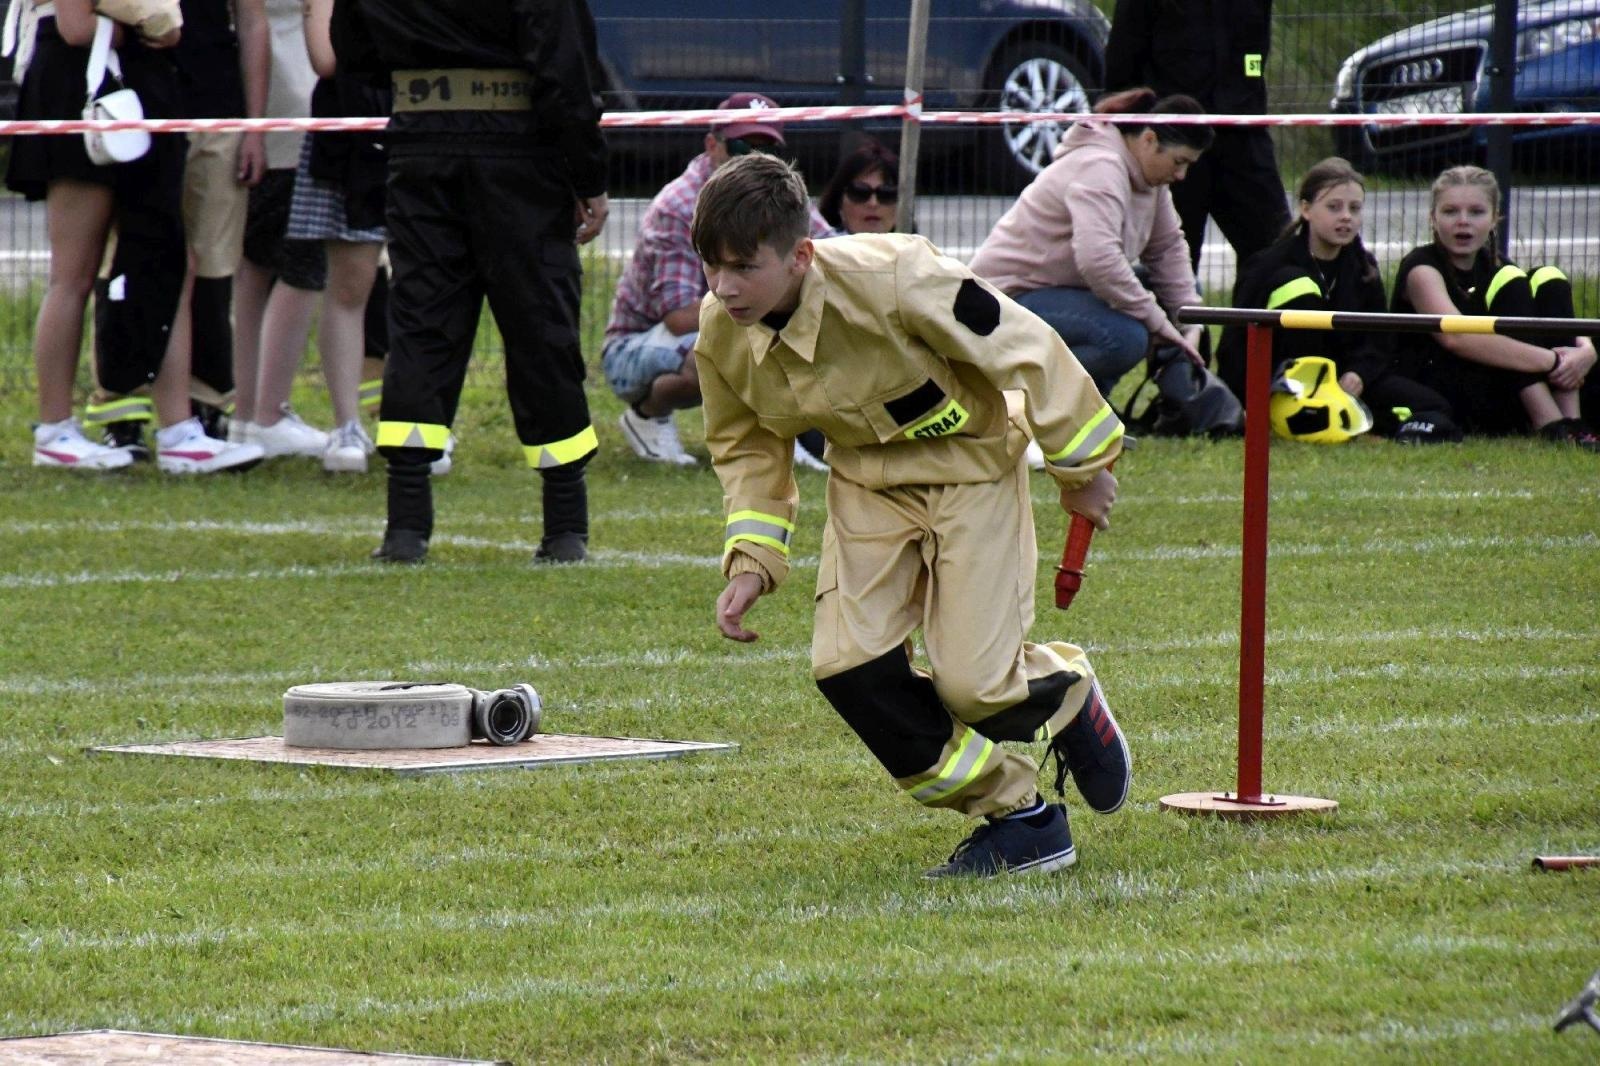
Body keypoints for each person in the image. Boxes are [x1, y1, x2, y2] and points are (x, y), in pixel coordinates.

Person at [694, 154, 1131, 878]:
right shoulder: (721, 330)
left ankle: (1067, 688)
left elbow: (1024, 344)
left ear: (800, 255)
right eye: (711, 265)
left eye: (743, 266)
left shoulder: (896, 276)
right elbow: (745, 446)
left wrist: (1080, 469)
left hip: (971, 477)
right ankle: (1019, 817)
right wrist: (751, 562)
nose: (723, 286)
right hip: (866, 487)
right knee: (848, 669)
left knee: (976, 688)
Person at [330, 0, 612, 564]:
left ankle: (406, 529)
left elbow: (352, 51)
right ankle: (565, 529)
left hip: (421, 150)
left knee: (421, 326)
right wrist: (588, 175)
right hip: (520, 158)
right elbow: (563, 69)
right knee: (541, 331)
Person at [8, 0, 262, 473]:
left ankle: (178, 430)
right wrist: (151, 27)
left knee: (169, 260)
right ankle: (55, 429)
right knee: (74, 274)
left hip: (143, 93)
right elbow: (75, 26)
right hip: (81, 92)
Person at [602, 92, 835, 468]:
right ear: (712, 145)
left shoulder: (778, 192)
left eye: (768, 151)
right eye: (744, 147)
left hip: (726, 319)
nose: (756, 161)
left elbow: (830, 252)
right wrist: (769, 303)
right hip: (637, 346)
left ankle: (793, 433)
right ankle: (646, 415)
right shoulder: (678, 206)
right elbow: (677, 318)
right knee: (732, 343)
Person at [968, 89, 1212, 401]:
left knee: (1183, 294)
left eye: (1188, 165)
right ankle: (1017, 403)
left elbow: (1167, 248)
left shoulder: (1149, 179)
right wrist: (1158, 323)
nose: (1181, 175)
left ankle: (1119, 406)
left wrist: (1188, 321)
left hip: (1061, 291)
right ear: (1149, 139)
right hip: (1005, 299)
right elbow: (1099, 262)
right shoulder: (1100, 167)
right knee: (1124, 338)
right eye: (1179, 162)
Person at [1217, 156, 1459, 442]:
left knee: (1434, 407)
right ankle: (1327, 422)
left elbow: (1379, 340)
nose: (1346, 216)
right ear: (1306, 210)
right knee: (1299, 287)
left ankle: (1372, 426)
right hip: (1287, 385)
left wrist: (1358, 374)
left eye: (1354, 208)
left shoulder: (1363, 267)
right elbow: (1235, 345)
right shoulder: (1267, 266)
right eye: (1334, 207)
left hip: (1345, 382)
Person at [1391, 165, 1597, 450]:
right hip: (1444, 387)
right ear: (1433, 218)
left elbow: (1546, 317)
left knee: (1548, 278)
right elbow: (1456, 338)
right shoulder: (1421, 267)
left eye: (1476, 212)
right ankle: (1549, 423)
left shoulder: (1498, 267)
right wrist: (1554, 361)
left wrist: (1585, 351)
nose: (1463, 221)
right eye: (1450, 212)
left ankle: (1573, 424)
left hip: (1496, 381)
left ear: (1494, 219)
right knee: (1513, 289)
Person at [1103, 0, 1290, 273]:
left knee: (1276, 249)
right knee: (1174, 258)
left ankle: (1258, 315)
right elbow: (1121, 68)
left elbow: (1256, 50)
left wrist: (1247, 101)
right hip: (1174, 140)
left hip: (1244, 136)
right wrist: (1144, 134)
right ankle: (1174, 316)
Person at [229, 0, 330, 460]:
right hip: (292, 115)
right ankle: (265, 414)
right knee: (301, 264)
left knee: (255, 269)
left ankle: (248, 416)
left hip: (274, 116)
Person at [289, 0, 386, 473]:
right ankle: (347, 426)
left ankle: (425, 421)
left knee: (427, 280)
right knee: (350, 284)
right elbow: (325, 58)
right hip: (347, 135)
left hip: (419, 125)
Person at [817, 137, 898, 236]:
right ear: (839, 204)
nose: (873, 203)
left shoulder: (916, 248)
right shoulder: (818, 249)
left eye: (886, 194)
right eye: (860, 192)